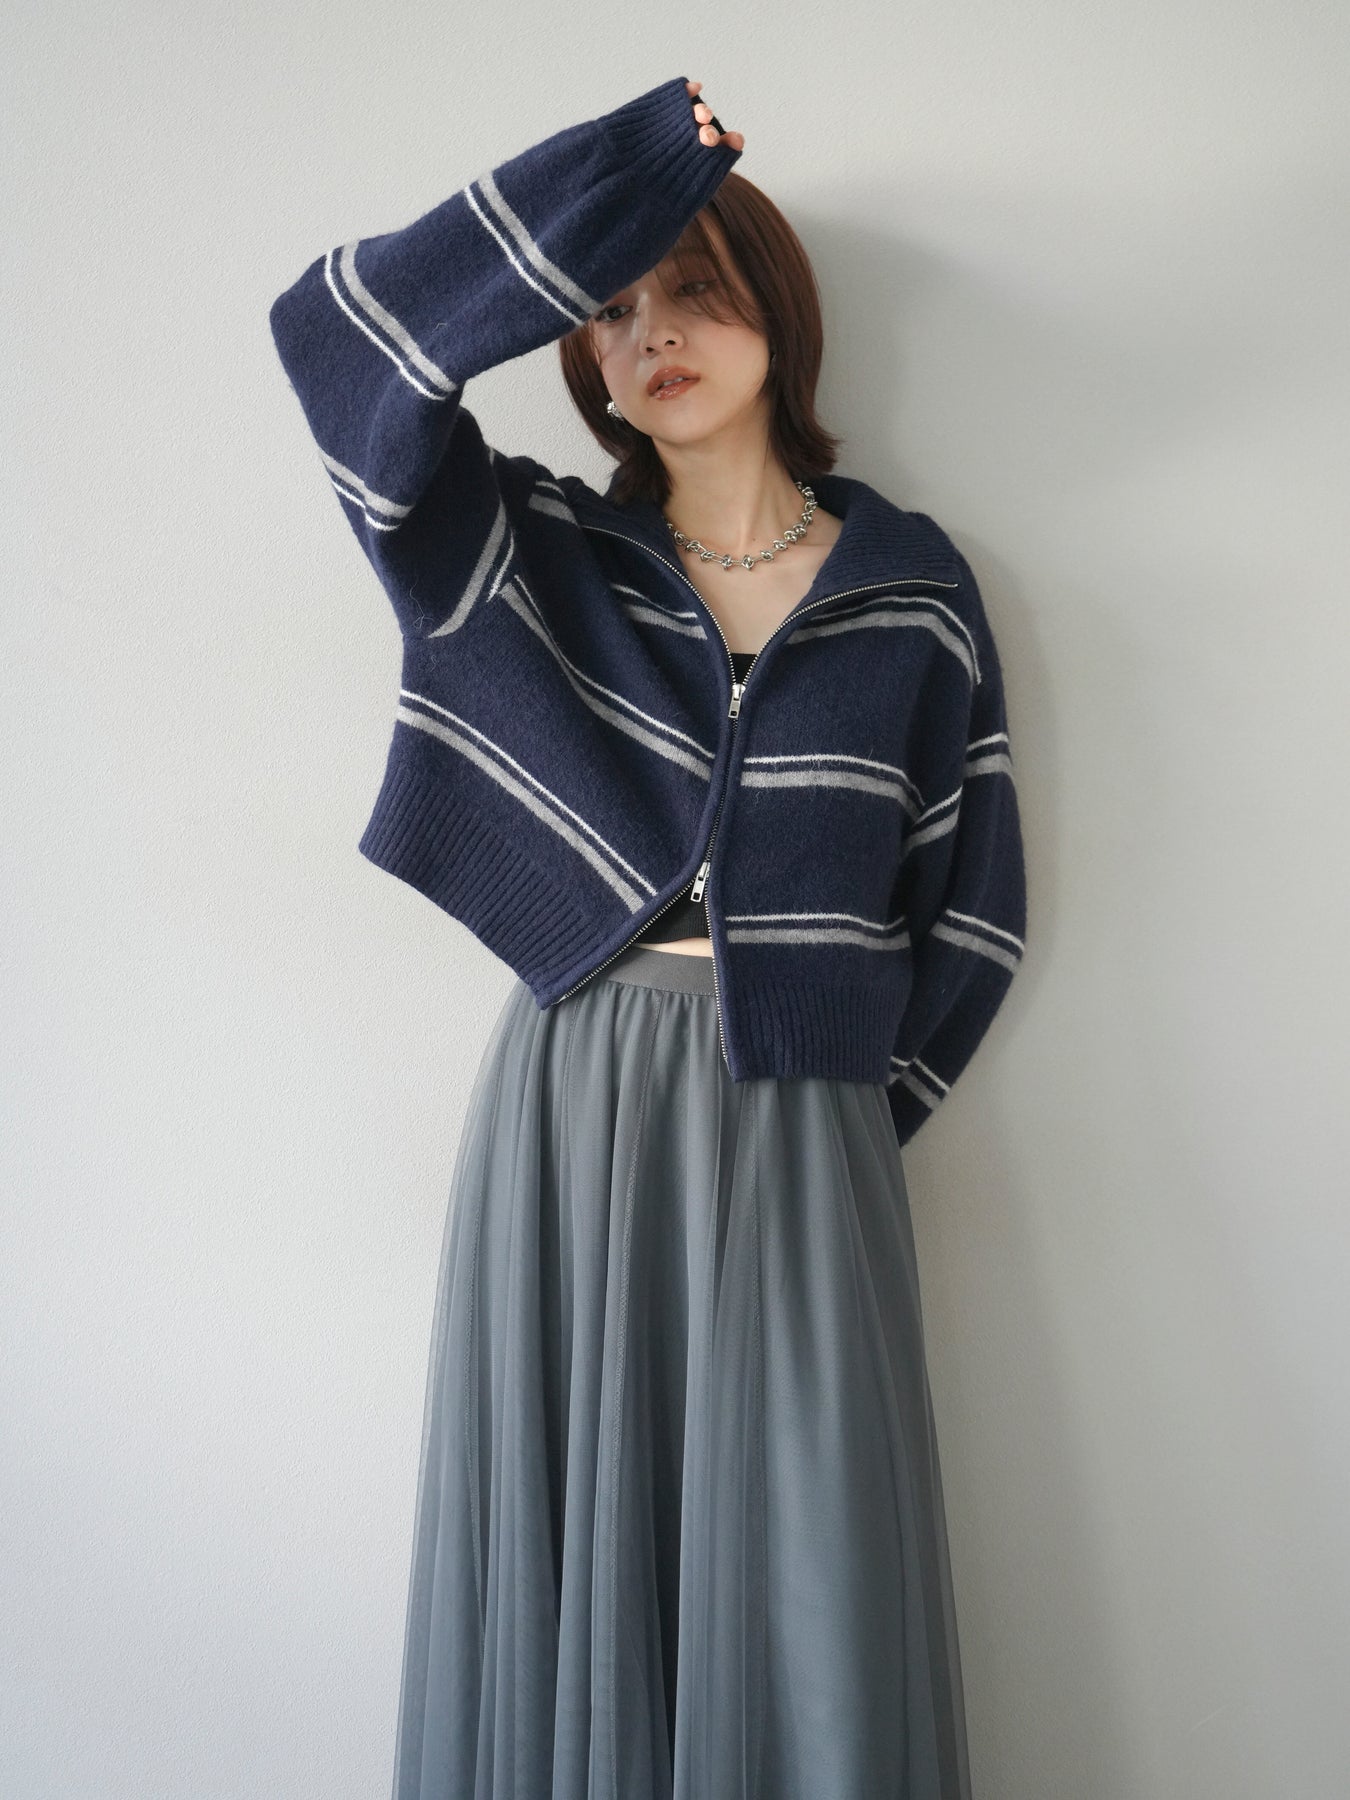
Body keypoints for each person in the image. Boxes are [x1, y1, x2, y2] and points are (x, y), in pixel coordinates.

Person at [269, 72, 1026, 1799]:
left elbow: (971, 904)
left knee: (812, 1553)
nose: (651, 335)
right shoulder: (527, 552)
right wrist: (624, 176)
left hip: (809, 1121)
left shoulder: (912, 588)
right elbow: (338, 347)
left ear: (777, 315)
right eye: (608, 310)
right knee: (572, 1535)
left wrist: (831, 1112)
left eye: (693, 289)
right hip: (575, 1099)